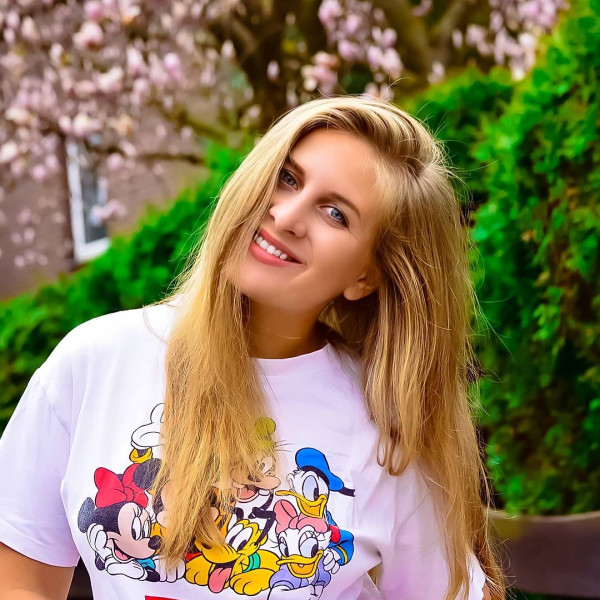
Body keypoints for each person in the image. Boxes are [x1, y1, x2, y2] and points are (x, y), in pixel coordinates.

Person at [0, 96, 504, 600]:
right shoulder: (94, 363)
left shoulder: (384, 429)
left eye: (335, 214)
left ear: (365, 276)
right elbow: (20, 581)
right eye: (287, 178)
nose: (286, 216)